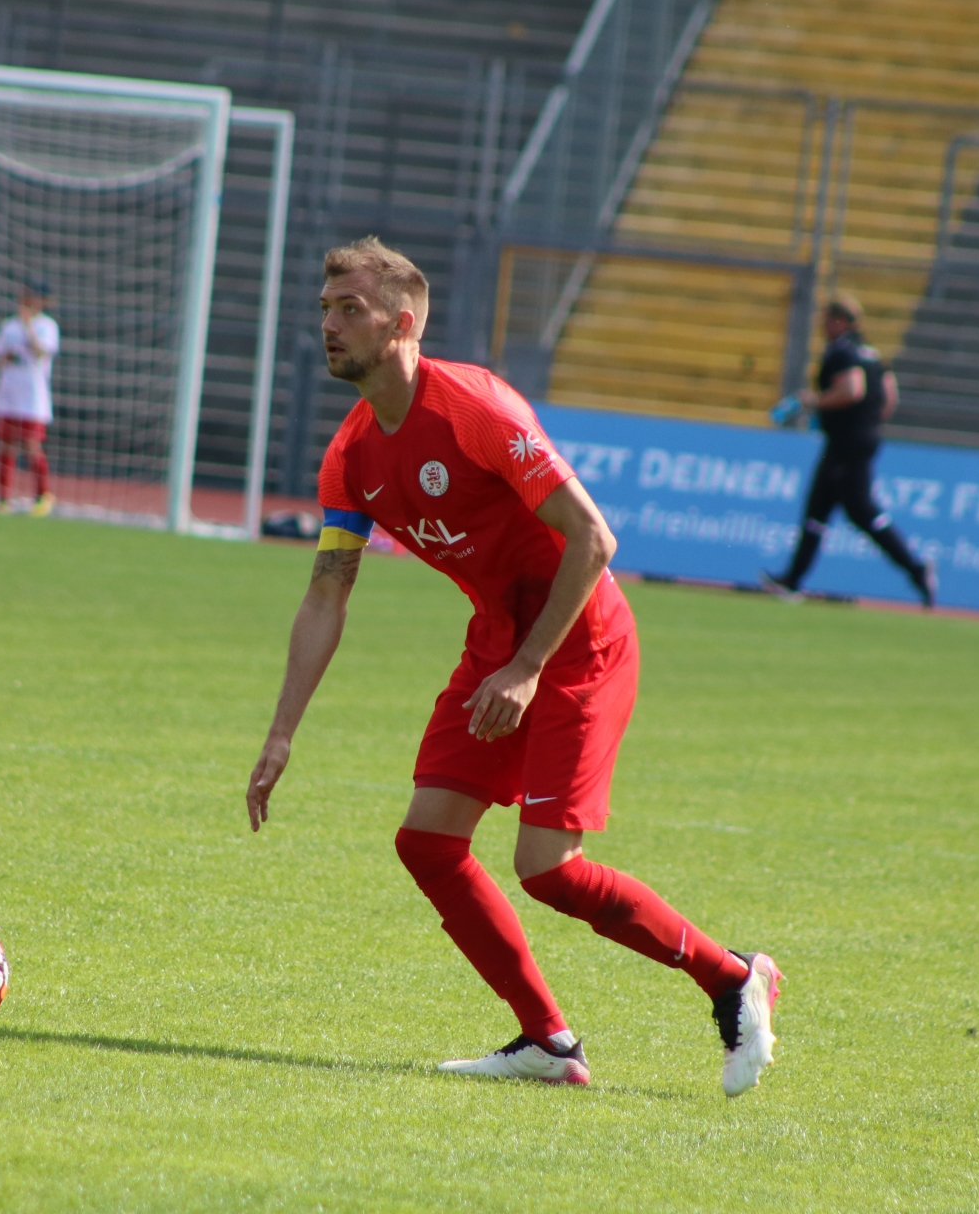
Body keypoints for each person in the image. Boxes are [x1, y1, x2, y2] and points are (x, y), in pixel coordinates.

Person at [245, 237, 783, 1093]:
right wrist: (280, 734)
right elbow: (327, 593)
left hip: (580, 644)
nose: (330, 326)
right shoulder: (350, 454)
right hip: (500, 642)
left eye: (349, 309)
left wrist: (531, 666)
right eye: (324, 310)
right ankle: (549, 1045)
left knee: (550, 870)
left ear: (404, 321)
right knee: (427, 841)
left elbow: (594, 540)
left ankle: (732, 976)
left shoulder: (475, 408)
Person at [762, 296, 936, 606]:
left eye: (827, 319)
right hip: (863, 437)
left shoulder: (842, 351)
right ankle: (792, 580)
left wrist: (815, 401)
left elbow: (853, 389)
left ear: (840, 321)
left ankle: (917, 568)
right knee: (825, 510)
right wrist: (867, 422)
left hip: (845, 442)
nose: (823, 325)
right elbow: (889, 397)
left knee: (857, 512)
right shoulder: (872, 352)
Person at [0, 280, 58, 517]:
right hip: (9, 393)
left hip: (32, 398)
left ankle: (43, 495)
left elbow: (42, 351)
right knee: (6, 446)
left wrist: (29, 328)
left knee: (31, 446)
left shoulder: (46, 326)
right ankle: (3, 498)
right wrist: (7, 356)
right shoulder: (9, 326)